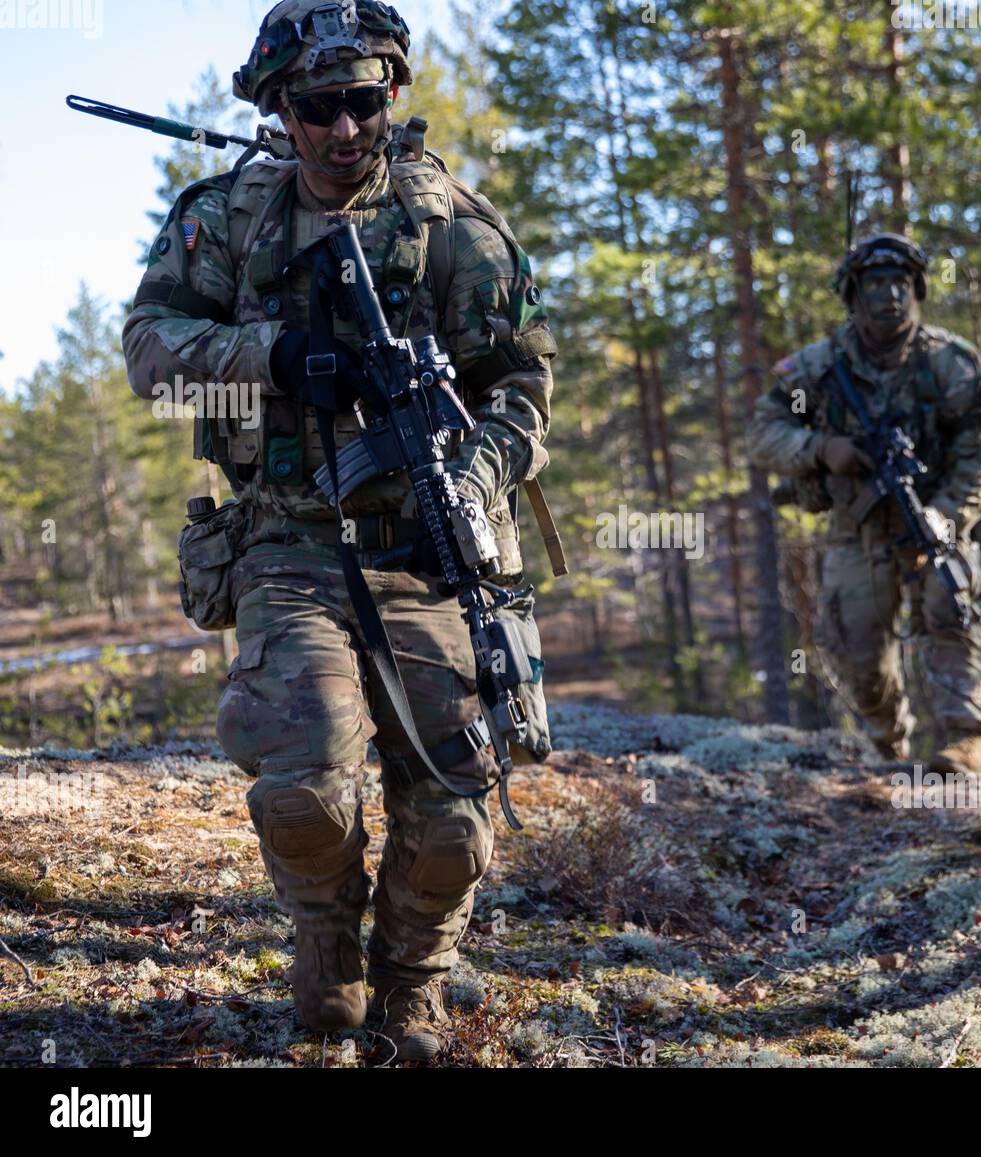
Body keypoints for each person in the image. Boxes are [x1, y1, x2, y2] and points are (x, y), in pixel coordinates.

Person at [121, 0, 561, 1060]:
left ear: (390, 96)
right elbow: (148, 345)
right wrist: (272, 358)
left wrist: (474, 467)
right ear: (280, 107)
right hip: (288, 540)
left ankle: (414, 977)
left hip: (426, 550)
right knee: (307, 786)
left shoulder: (456, 226)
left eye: (363, 102)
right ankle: (326, 932)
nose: (343, 129)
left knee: (454, 811)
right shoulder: (228, 218)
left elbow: (522, 389)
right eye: (318, 106)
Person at [750, 233, 981, 775]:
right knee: (855, 645)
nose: (889, 295)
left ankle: (963, 740)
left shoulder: (952, 364)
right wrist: (820, 449)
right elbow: (764, 431)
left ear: (916, 290)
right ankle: (886, 744)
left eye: (900, 283)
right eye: (875, 285)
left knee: (948, 598)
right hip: (857, 530)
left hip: (936, 521)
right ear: (852, 294)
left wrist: (947, 515)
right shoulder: (818, 367)